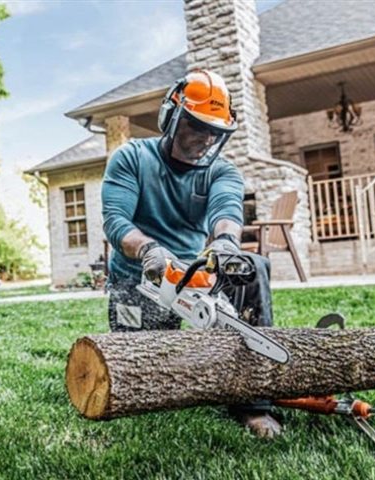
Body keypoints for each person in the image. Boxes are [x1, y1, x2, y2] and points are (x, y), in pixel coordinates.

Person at [101, 69, 281, 439]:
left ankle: (254, 404)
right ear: (172, 117)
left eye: (215, 132)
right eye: (197, 127)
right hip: (137, 276)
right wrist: (149, 249)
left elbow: (226, 212)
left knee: (252, 266)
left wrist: (226, 244)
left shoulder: (223, 172)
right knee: (145, 373)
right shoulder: (133, 157)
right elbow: (116, 220)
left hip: (194, 274)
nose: (205, 139)